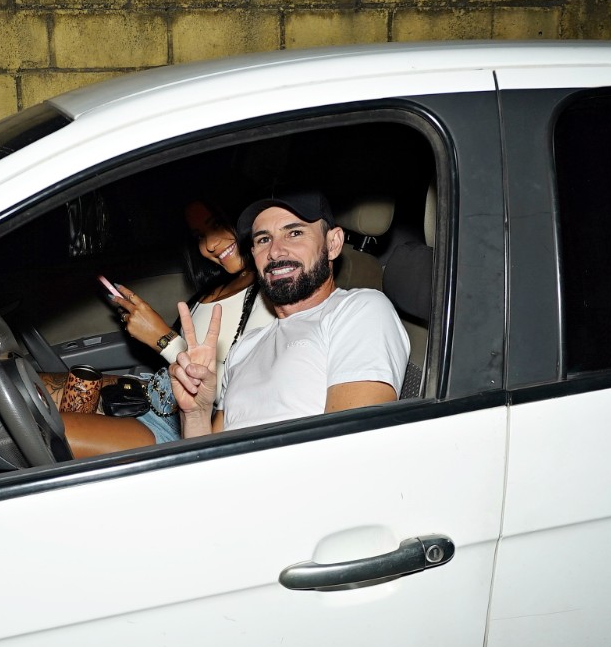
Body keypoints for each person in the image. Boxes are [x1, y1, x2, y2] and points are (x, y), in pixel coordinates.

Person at [170, 189, 410, 437]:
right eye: (263, 239)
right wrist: (197, 413)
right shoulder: (245, 346)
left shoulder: (359, 311)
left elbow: (352, 444)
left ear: (333, 243)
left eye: (294, 233)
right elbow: (209, 455)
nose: (275, 251)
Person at [55, 198, 275, 458]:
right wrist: (147, 327)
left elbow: (234, 397)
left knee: (50, 432)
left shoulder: (272, 295)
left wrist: (162, 338)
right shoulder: (219, 285)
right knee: (35, 390)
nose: (209, 245)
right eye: (199, 236)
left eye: (216, 225)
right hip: (152, 394)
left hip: (182, 427)